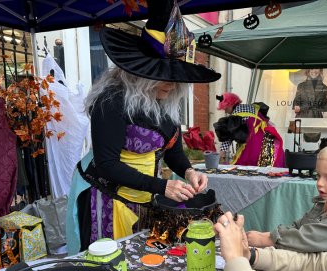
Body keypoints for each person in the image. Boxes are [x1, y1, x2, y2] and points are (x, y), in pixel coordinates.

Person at [66, 0, 220, 254]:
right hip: (106, 196)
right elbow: (108, 164)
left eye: (176, 75)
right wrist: (162, 186)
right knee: (110, 265)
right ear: (141, 72)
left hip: (144, 196)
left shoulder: (167, 103)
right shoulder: (111, 100)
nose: (171, 83)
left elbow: (173, 152)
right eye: (163, 75)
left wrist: (189, 171)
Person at [247, 140, 327, 253]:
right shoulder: (323, 203)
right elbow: (299, 226)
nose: (320, 183)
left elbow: (309, 238)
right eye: (318, 176)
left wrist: (266, 240)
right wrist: (268, 235)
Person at [215, 92, 285, 167]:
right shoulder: (252, 107)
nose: (225, 111)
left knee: (246, 169)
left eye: (225, 108)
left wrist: (221, 153)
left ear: (230, 104)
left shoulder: (236, 115)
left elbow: (229, 135)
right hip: (267, 141)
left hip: (252, 144)